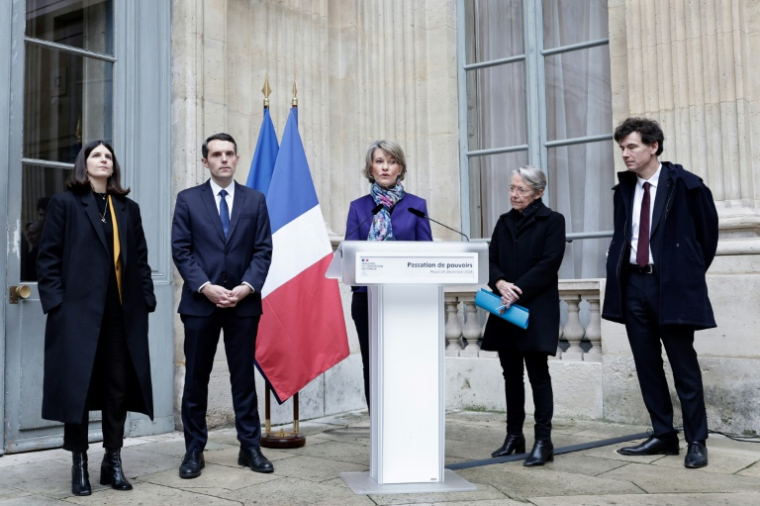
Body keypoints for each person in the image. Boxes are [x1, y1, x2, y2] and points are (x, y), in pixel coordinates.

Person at [37, 140, 156, 496]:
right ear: (83, 164)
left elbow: (140, 259)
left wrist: (146, 299)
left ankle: (113, 461)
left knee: (116, 389)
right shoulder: (65, 204)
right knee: (79, 389)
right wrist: (57, 305)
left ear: (113, 166)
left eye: (108, 156)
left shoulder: (127, 208)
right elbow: (48, 259)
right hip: (77, 316)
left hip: (122, 315)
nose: (103, 159)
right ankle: (79, 464)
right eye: (96, 155)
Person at [603, 117, 718, 469]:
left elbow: (706, 238)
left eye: (632, 146)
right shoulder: (624, 189)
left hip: (671, 286)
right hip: (634, 285)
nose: (625, 154)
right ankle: (663, 435)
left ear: (653, 146)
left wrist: (686, 273)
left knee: (684, 365)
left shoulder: (687, 185)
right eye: (622, 148)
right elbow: (624, 236)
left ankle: (696, 440)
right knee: (647, 364)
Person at [172, 132, 273, 479]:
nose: (224, 159)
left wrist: (246, 287)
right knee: (196, 379)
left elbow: (263, 250)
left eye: (230, 153)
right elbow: (181, 250)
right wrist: (206, 287)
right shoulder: (188, 200)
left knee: (243, 378)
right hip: (201, 304)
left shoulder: (255, 200)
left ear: (237, 158)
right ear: (205, 161)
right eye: (216, 154)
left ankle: (250, 447)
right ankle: (193, 451)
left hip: (243, 305)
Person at [481, 166, 565, 467]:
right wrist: (500, 282)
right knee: (511, 376)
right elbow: (490, 259)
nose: (514, 195)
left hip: (535, 308)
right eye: (512, 188)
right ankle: (514, 437)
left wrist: (517, 289)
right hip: (505, 308)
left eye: (522, 190)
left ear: (538, 192)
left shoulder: (553, 221)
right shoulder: (504, 222)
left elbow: (549, 262)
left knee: (538, 375)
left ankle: (544, 441)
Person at [344, 140, 433, 408]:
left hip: (405, 299)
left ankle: (407, 419)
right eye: (379, 161)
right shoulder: (359, 208)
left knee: (405, 362)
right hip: (367, 298)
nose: (385, 167)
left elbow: (426, 254)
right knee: (372, 364)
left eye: (391, 161)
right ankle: (379, 426)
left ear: (400, 168)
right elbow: (350, 255)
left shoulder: (417, 205)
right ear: (370, 169)